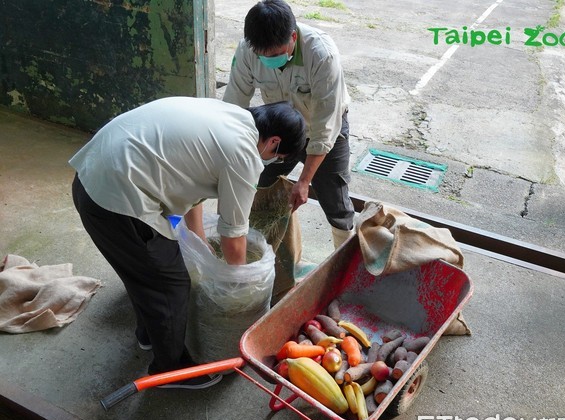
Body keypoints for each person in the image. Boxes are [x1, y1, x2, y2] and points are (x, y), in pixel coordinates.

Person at [70, 97, 305, 389]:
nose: (273, 162)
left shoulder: (229, 115)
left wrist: (199, 239)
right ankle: (170, 369)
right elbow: (233, 236)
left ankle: (149, 334)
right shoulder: (244, 154)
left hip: (92, 176)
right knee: (170, 283)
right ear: (273, 142)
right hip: (115, 200)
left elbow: (195, 182)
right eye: (279, 157)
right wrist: (238, 284)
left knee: (141, 268)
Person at [223, 0, 355, 250]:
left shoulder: (321, 53)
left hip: (323, 127)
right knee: (257, 185)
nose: (270, 60)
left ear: (293, 36)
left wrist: (304, 181)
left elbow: (325, 124)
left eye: (275, 54)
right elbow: (234, 107)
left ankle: (344, 260)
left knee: (335, 200)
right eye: (264, 56)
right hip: (279, 127)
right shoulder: (248, 51)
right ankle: (263, 253)